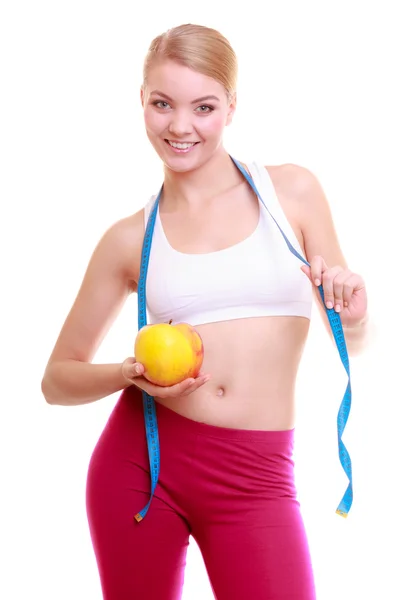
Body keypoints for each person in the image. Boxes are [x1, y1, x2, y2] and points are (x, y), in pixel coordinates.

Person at [41, 22, 369, 600]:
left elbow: (352, 334)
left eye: (204, 106)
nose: (181, 126)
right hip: (141, 470)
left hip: (258, 477)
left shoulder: (289, 193)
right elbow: (56, 380)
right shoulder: (129, 238)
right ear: (141, 102)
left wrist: (357, 310)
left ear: (232, 107)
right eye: (163, 104)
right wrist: (127, 375)